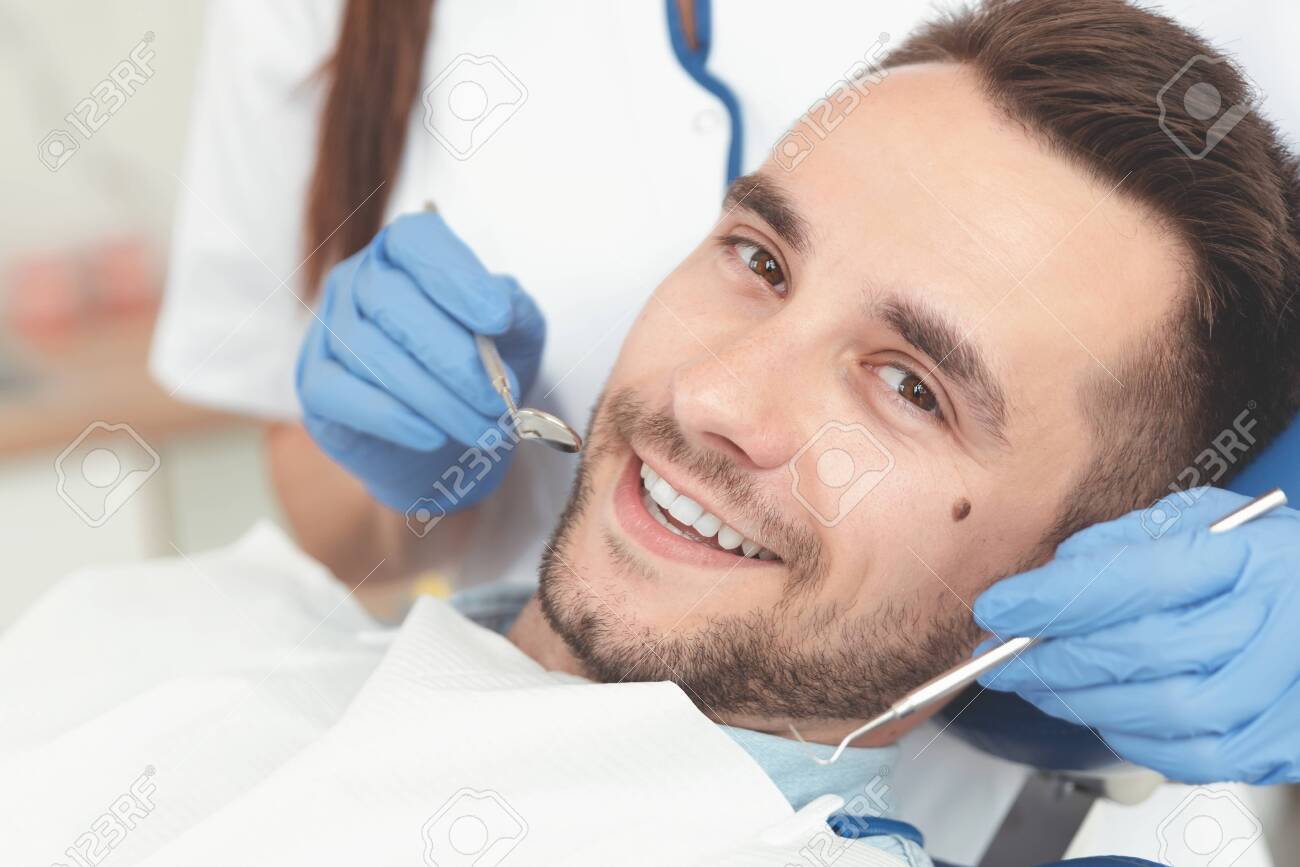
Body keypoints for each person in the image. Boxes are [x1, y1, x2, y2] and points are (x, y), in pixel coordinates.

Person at [151, 0, 1300, 854]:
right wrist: (396, 474)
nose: (711, 398)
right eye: (758, 259)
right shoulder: (156, 676)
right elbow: (322, 512)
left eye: (911, 388)